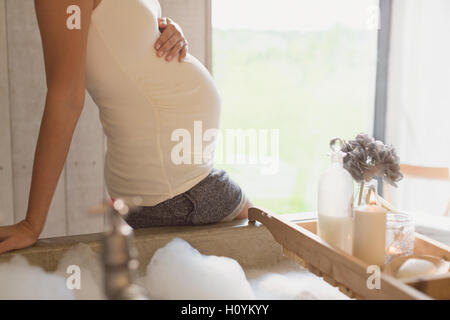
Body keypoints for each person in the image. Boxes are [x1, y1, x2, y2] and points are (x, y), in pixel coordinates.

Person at [0, 0, 250, 254]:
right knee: (270, 245)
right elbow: (65, 99)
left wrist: (163, 29)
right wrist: (32, 224)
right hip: (176, 187)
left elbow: (119, 40)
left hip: (178, 180)